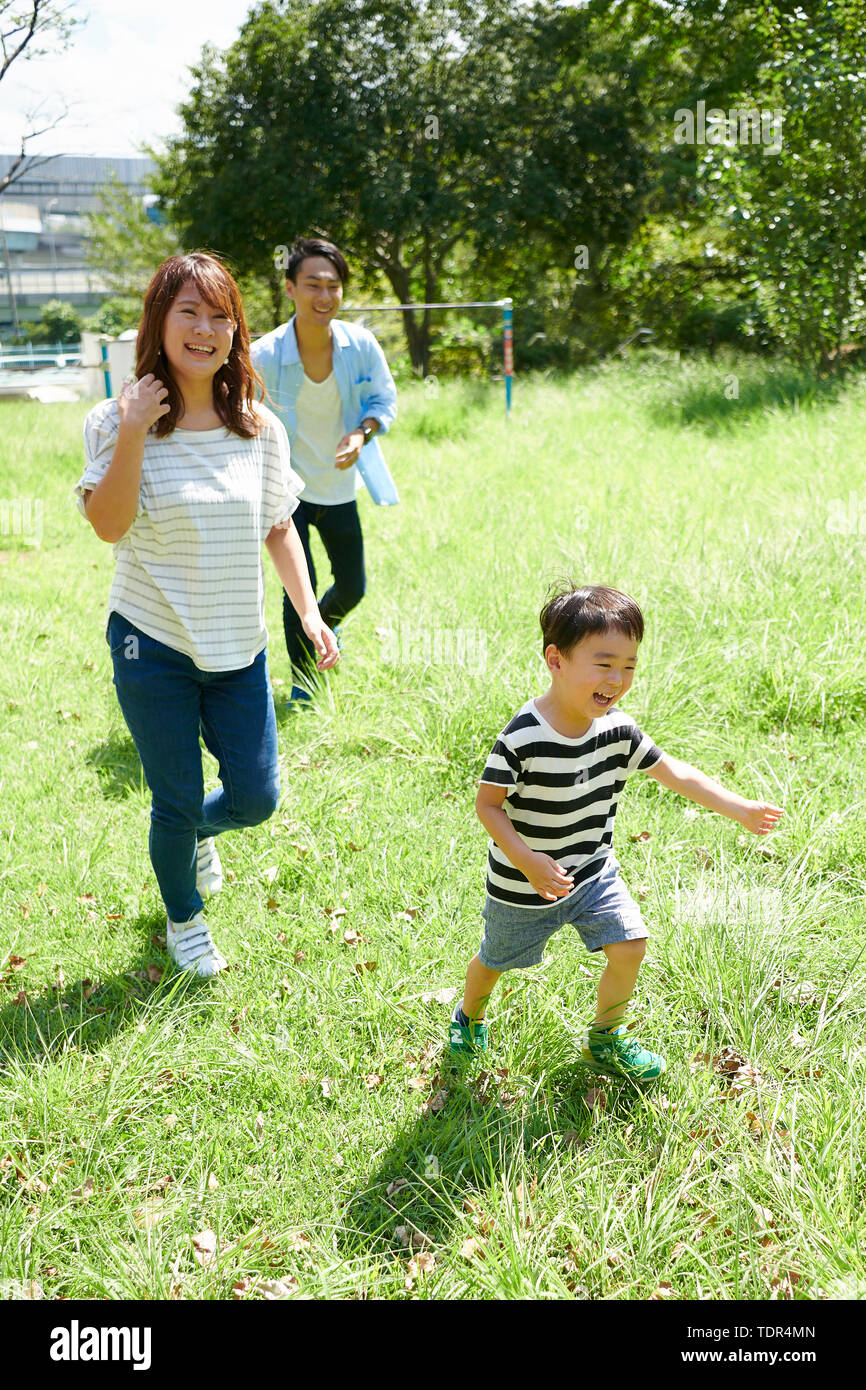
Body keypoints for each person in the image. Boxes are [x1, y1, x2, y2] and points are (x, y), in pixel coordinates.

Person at [75, 252, 339, 978]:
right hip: (150, 641)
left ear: (236, 331)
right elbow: (107, 525)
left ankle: (197, 834)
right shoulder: (114, 418)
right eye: (188, 311)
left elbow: (278, 525)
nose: (205, 328)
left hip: (237, 644)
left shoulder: (257, 427)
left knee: (255, 798)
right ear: (158, 322)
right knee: (175, 795)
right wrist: (134, 429)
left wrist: (309, 615)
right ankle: (183, 918)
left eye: (220, 315)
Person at [450, 583, 784, 1079]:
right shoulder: (523, 734)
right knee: (495, 960)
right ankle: (468, 1017)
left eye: (628, 665)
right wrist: (526, 860)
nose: (618, 678)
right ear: (556, 661)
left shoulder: (618, 729)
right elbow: (488, 805)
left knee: (630, 946)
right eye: (604, 663)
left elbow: (676, 772)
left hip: (592, 872)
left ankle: (606, 1039)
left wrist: (739, 808)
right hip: (523, 883)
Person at [251, 237, 398, 703]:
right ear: (291, 288)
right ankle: (303, 684)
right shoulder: (265, 355)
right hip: (286, 493)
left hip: (339, 486)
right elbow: (240, 415)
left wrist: (362, 433)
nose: (324, 296)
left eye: (333, 286)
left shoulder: (361, 345)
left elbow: (382, 400)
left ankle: (322, 636)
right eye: (312, 284)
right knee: (302, 590)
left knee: (353, 585)